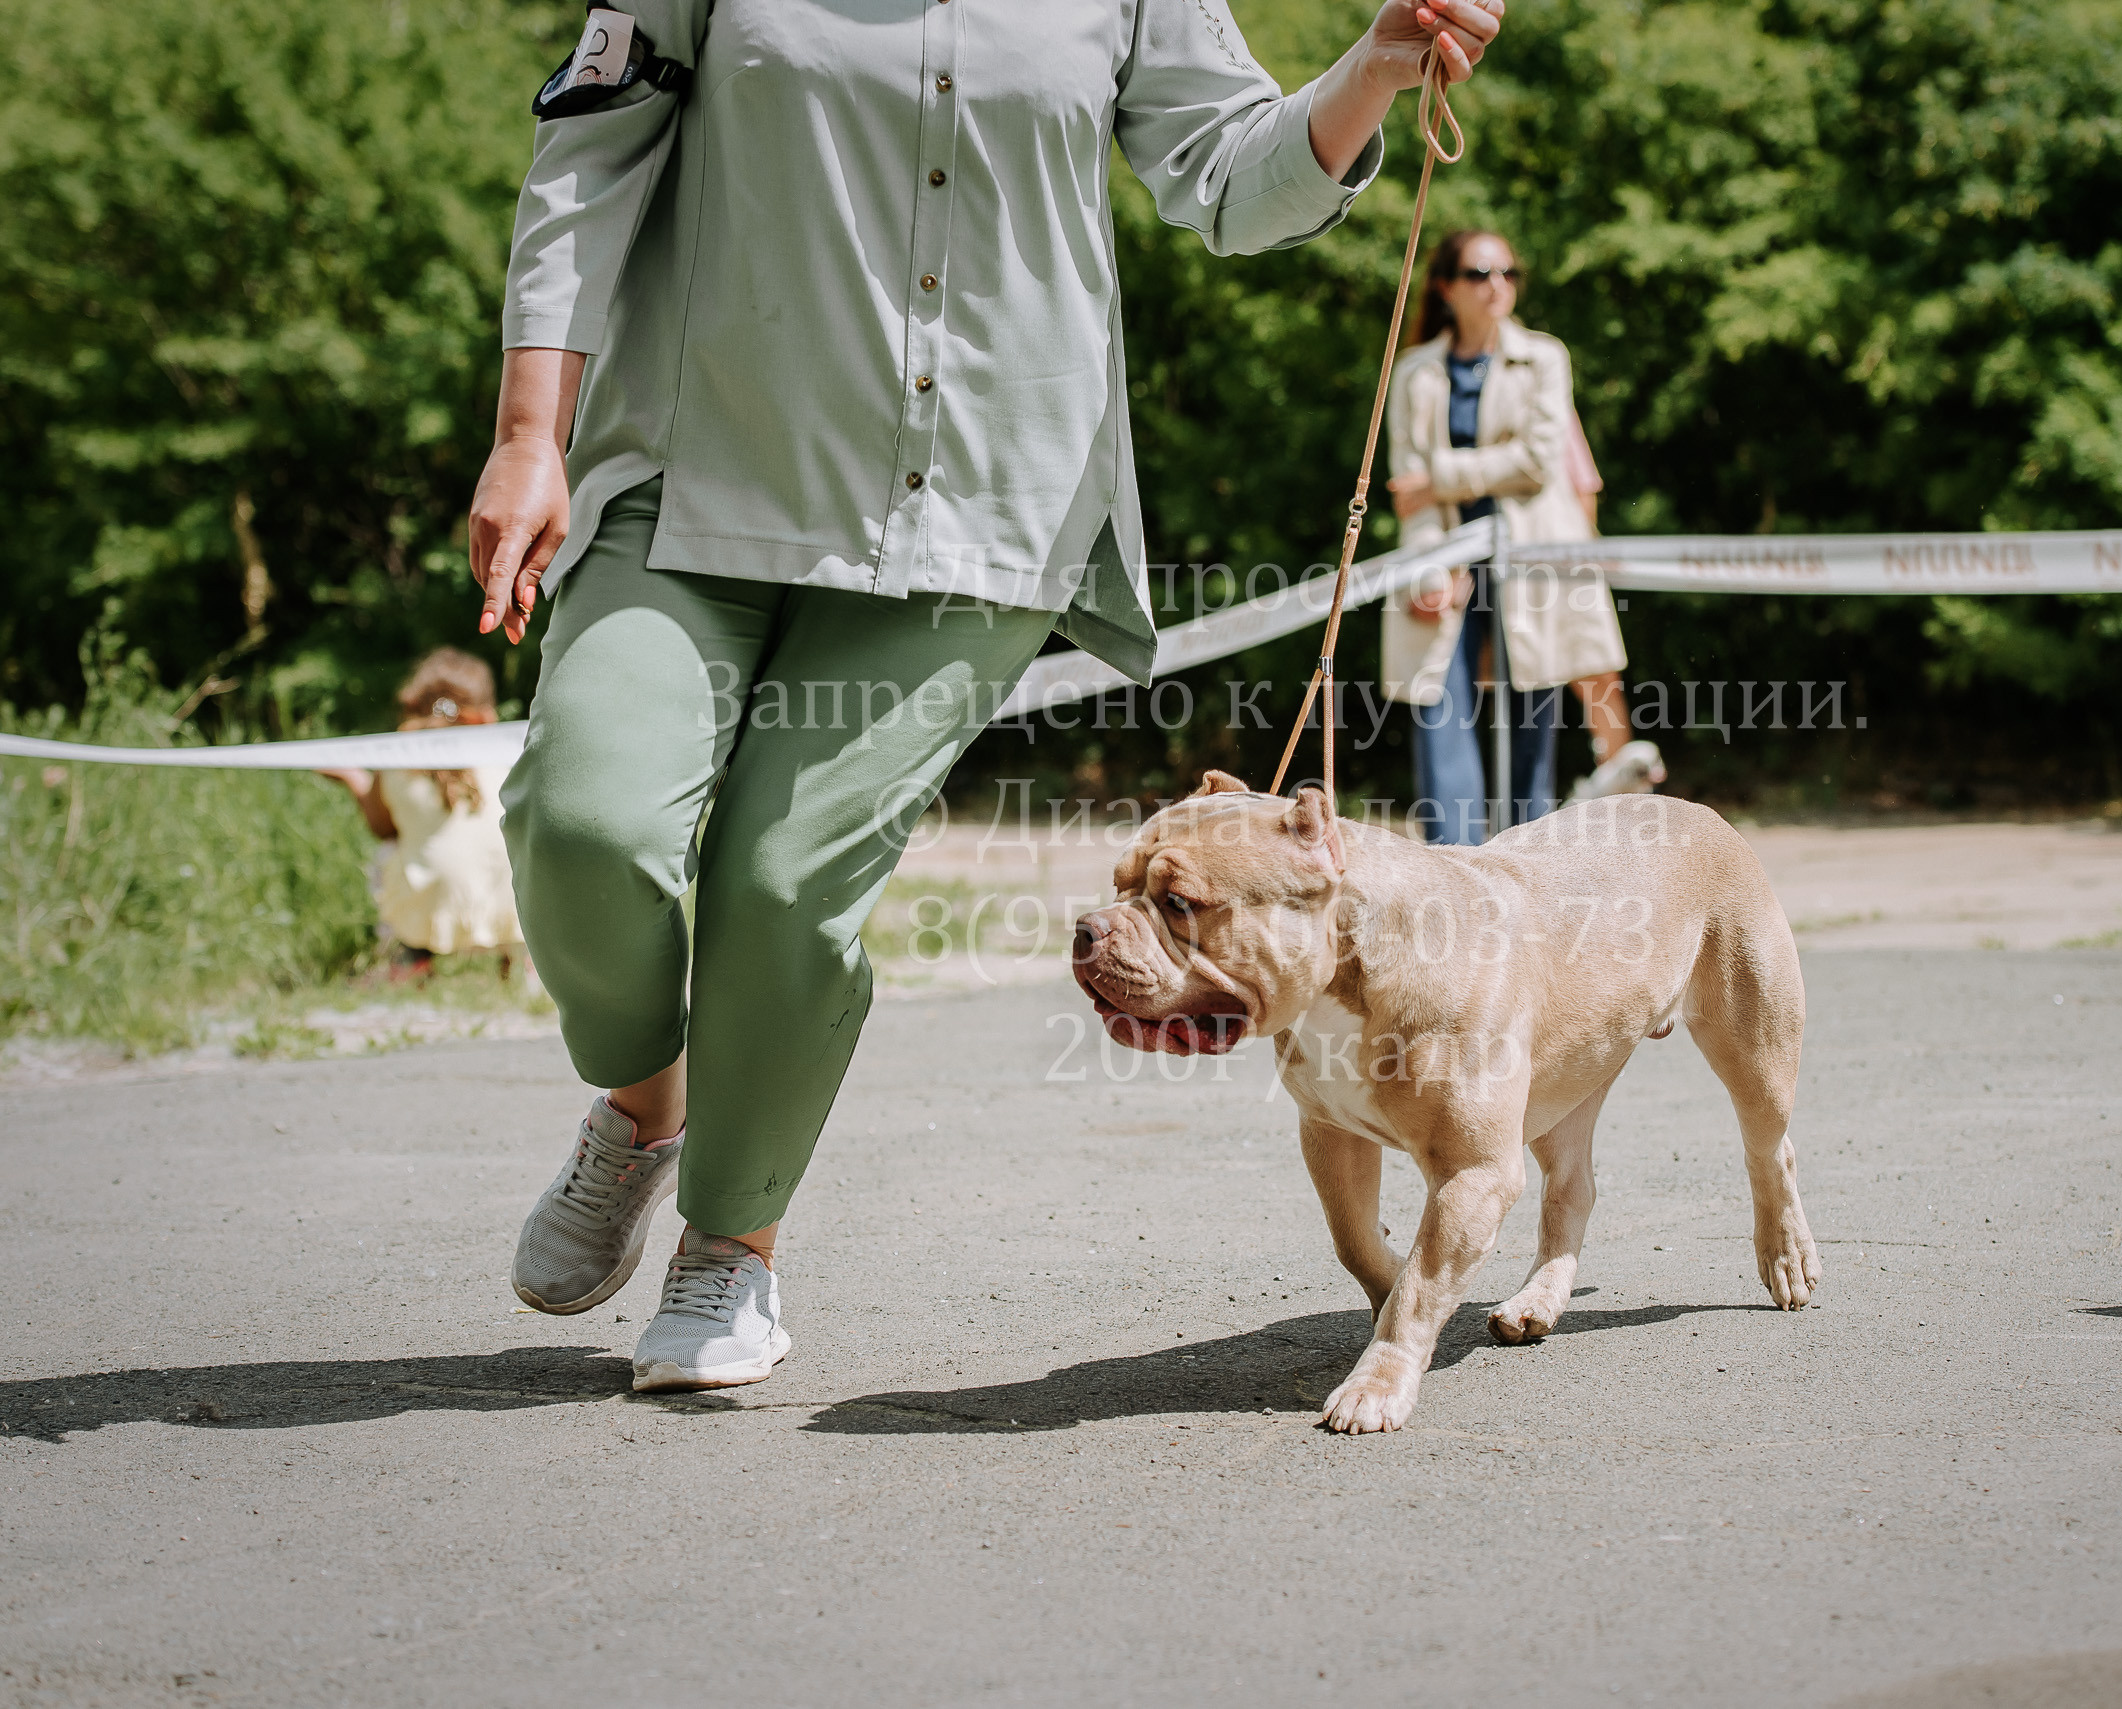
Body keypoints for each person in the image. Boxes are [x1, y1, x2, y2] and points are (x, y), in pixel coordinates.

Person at [468, 0, 1505, 1391]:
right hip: (694, 466)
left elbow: (1236, 179)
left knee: (786, 878)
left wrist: (1374, 69)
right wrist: (533, 430)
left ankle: (732, 1247)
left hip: (979, 512)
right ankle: (651, 1098)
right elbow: (591, 151)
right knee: (587, 822)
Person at [1382, 228, 1627, 844]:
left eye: (1508, 274)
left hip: (1531, 558)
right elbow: (1406, 492)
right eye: (1480, 274)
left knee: (1531, 714)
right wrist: (1426, 572)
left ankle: (1529, 864)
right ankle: (1453, 866)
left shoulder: (1545, 357)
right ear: (1445, 287)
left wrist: (1440, 477)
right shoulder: (1413, 372)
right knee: (1440, 707)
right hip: (1447, 558)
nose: (1498, 287)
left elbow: (1537, 464)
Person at [315, 648, 525, 984]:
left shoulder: (398, 760)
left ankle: (411, 956)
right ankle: (515, 962)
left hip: (437, 911)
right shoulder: (504, 755)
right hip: (513, 912)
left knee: (388, 854)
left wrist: (355, 780)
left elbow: (382, 829)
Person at [1556, 407, 1667, 803]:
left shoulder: (1545, 376)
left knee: (1599, 677)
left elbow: (1583, 486)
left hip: (1564, 554)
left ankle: (1620, 802)